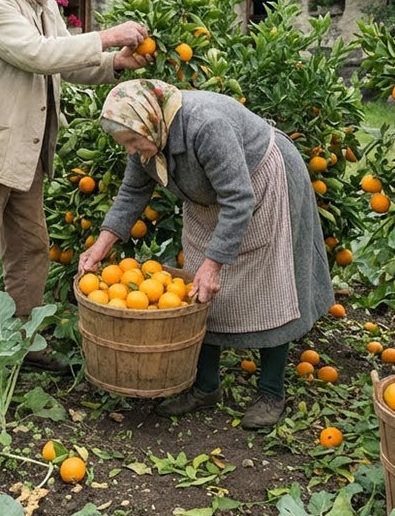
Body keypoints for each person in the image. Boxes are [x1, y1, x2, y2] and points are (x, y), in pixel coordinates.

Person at [0, 0, 150, 386]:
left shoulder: (41, 3)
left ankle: (21, 339)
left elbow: (63, 60)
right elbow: (35, 54)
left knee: (30, 247)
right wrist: (106, 36)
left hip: (24, 150)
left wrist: (113, 64)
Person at [77, 79, 334, 429]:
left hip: (260, 183)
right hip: (208, 199)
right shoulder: (144, 136)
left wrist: (216, 264)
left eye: (134, 142)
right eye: (126, 145)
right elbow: (132, 193)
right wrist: (100, 246)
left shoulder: (206, 126)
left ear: (150, 122)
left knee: (269, 286)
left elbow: (238, 198)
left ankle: (271, 392)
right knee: (196, 290)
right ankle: (206, 386)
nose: (133, 151)